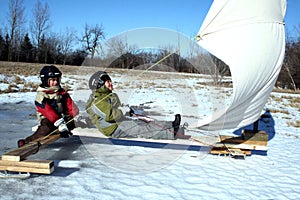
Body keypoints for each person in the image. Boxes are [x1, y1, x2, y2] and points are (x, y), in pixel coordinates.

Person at [85, 71, 190, 140]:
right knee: (142, 129)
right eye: (107, 82)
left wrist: (127, 109)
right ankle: (171, 133)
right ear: (100, 85)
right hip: (113, 128)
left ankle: (171, 125)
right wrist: (123, 110)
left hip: (118, 123)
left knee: (143, 122)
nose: (111, 83)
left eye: (110, 81)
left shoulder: (107, 96)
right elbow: (110, 115)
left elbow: (117, 108)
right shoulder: (97, 101)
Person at [17, 65, 80, 147]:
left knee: (76, 123)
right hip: (48, 119)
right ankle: (26, 142)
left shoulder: (61, 92)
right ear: (45, 80)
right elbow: (48, 111)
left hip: (62, 117)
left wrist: (76, 116)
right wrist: (60, 124)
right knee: (45, 129)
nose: (56, 82)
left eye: (57, 80)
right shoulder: (42, 95)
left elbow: (70, 105)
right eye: (52, 80)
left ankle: (62, 128)